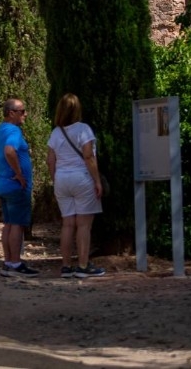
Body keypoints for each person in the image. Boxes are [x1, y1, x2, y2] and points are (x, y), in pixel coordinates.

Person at [48, 93, 106, 278]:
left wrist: (55, 180)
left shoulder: (56, 132)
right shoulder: (83, 129)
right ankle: (82, 265)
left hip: (62, 179)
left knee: (67, 225)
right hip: (81, 178)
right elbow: (88, 156)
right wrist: (97, 180)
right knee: (83, 225)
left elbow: (50, 160)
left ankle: (66, 266)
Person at [0, 97, 37, 276]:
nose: (25, 114)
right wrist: (17, 173)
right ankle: (16, 264)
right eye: (22, 111)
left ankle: (8, 262)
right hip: (16, 185)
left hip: (2, 184)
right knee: (17, 224)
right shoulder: (13, 131)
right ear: (11, 113)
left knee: (8, 223)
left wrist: (0, 170)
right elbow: (9, 151)